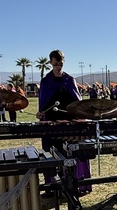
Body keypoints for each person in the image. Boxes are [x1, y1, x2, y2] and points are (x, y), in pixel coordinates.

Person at [37, 49, 91, 191]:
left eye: (60, 64)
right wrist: (41, 113)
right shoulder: (46, 81)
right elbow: (43, 103)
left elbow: (78, 102)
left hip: (70, 124)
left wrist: (82, 116)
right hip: (52, 124)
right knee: (51, 154)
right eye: (55, 64)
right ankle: (52, 185)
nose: (58, 67)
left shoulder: (69, 80)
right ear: (50, 63)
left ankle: (78, 183)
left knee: (74, 153)